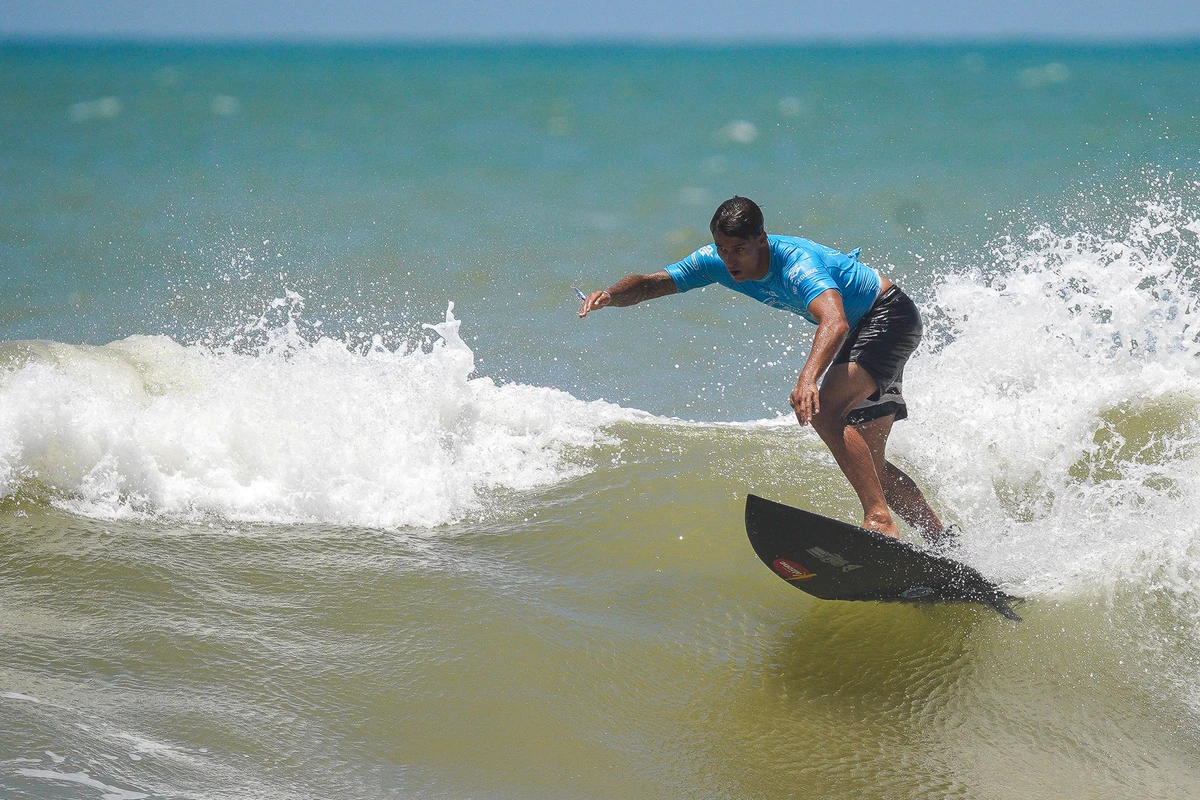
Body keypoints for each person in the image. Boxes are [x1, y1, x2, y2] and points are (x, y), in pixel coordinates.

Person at [578, 196, 952, 543]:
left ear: (762, 240)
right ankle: (943, 543)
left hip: (887, 317)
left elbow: (835, 322)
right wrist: (611, 295)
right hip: (861, 331)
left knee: (828, 412)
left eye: (739, 249)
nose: (730, 261)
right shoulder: (716, 261)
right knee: (869, 465)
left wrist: (807, 380)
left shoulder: (797, 264)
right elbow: (653, 283)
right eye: (724, 250)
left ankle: (879, 521)